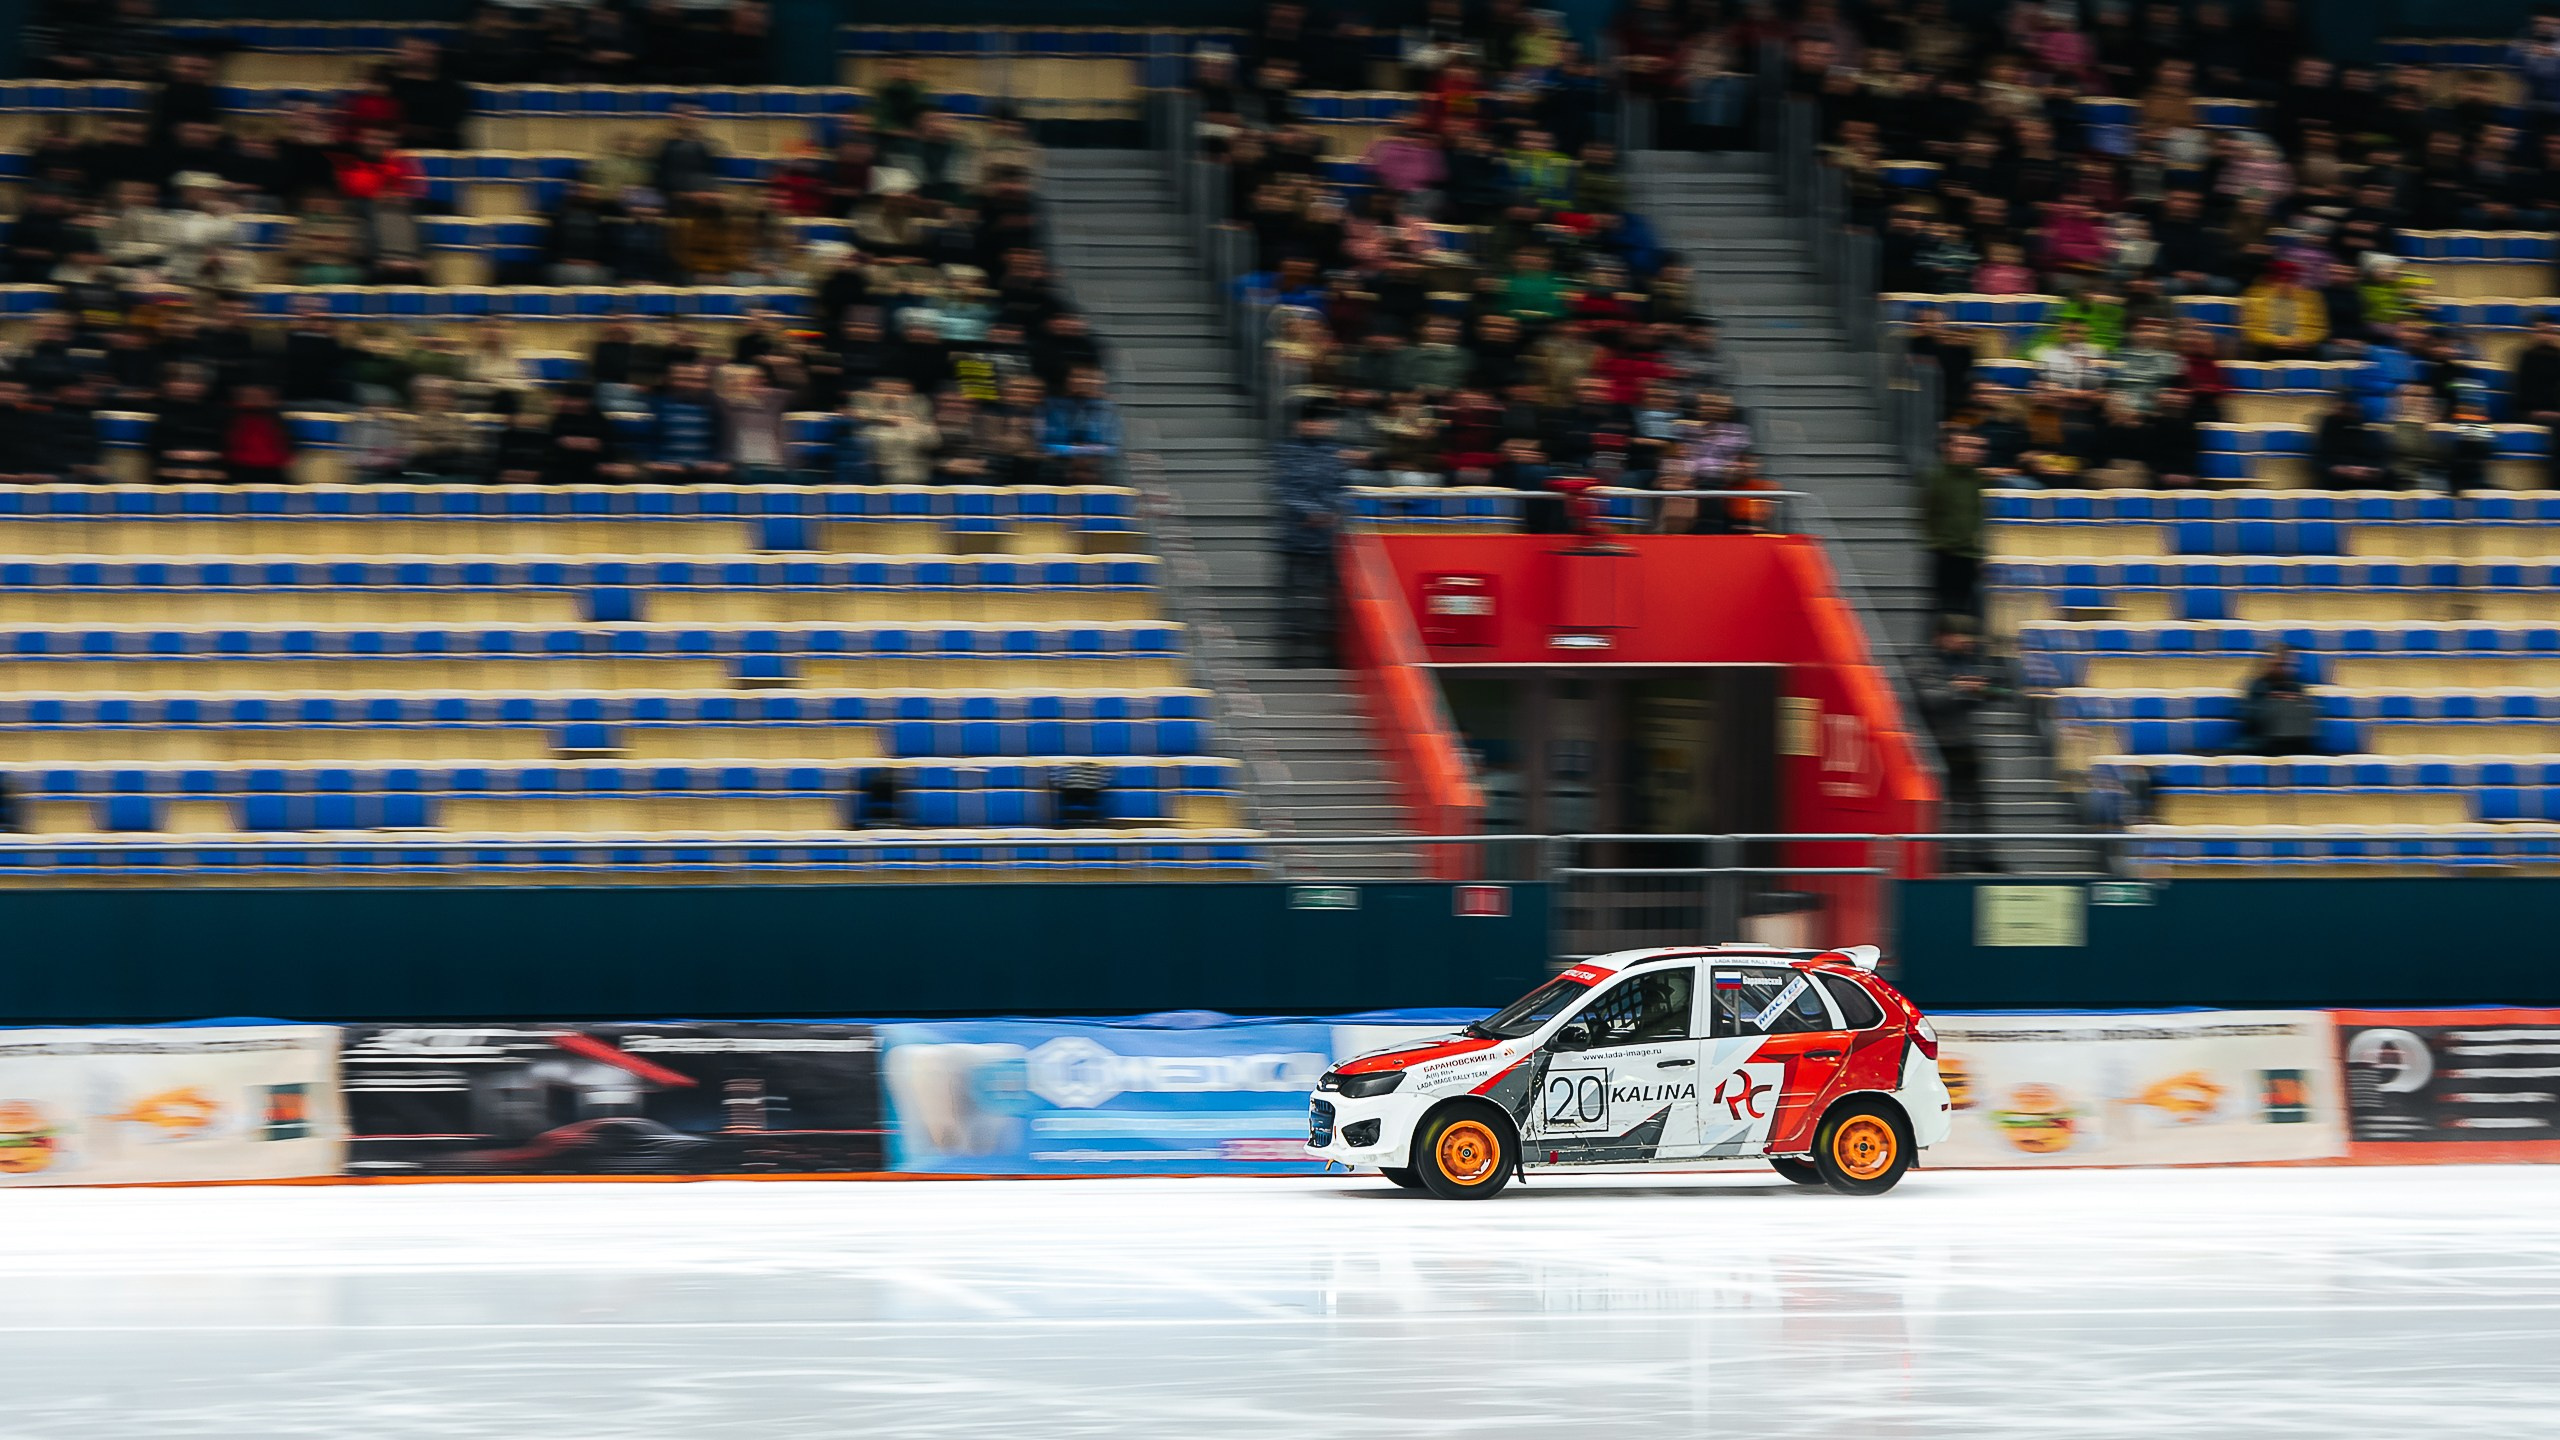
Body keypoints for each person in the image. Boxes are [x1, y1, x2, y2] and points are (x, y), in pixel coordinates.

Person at [1916, 621, 2007, 872]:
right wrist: (1959, 687)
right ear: (1941, 637)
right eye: (1958, 635)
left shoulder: (1967, 661)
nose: (1964, 641)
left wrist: (1982, 689)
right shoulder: (1925, 663)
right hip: (1939, 747)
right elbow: (1929, 698)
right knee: (1946, 807)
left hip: (1965, 744)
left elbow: (1996, 692)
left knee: (1978, 806)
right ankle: (1946, 859)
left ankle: (1982, 855)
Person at [1272, 408, 1351, 668]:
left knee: (1331, 599)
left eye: (1324, 421)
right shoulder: (1287, 451)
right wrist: (1312, 512)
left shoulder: (1336, 453)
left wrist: (1332, 511)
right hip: (1297, 536)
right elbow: (1284, 489)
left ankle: (1329, 653)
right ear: (1300, 424)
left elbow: (1344, 488)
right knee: (1296, 597)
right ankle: (1291, 652)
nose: (1319, 426)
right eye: (1313, 421)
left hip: (1330, 538)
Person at [1923, 429, 1988, 621]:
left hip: (1972, 555)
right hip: (1945, 552)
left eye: (1976, 447)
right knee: (1945, 610)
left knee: (1968, 612)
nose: (1970, 451)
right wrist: (1940, 541)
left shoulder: (1980, 481)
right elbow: (1928, 514)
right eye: (1963, 445)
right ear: (1948, 448)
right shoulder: (1936, 479)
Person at [2237, 645, 2320, 756]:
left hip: (2294, 743)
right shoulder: (2257, 685)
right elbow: (2251, 720)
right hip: (2262, 742)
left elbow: (2306, 723)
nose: (2287, 669)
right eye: (2281, 665)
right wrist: (2275, 701)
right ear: (2270, 664)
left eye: (2291, 665)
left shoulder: (2296, 687)